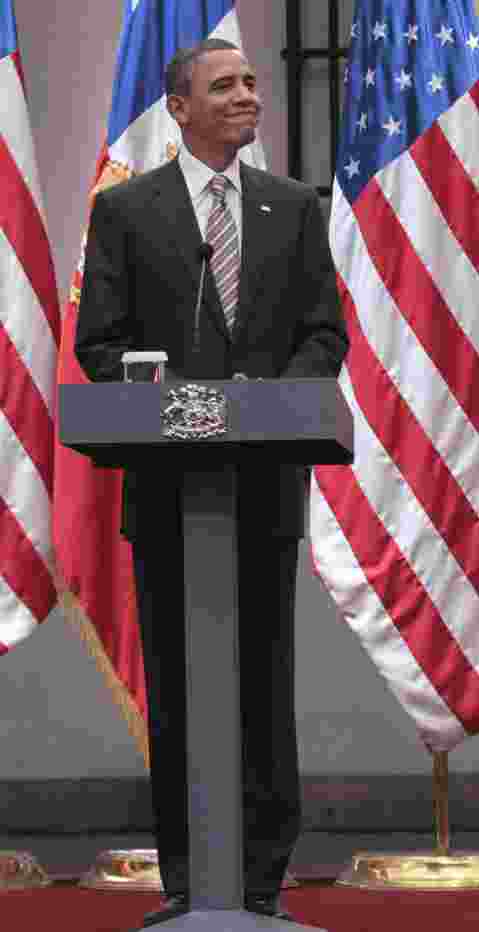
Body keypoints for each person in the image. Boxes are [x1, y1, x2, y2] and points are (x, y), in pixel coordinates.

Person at [75, 39, 346, 925]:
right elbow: (99, 343)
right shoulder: (126, 212)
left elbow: (323, 333)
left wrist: (271, 394)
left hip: (261, 487)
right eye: (224, 86)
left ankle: (259, 885)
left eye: (252, 84)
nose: (247, 97)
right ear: (180, 107)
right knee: (182, 687)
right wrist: (171, 393)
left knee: (263, 686)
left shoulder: (294, 207)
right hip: (169, 492)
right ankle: (192, 883)